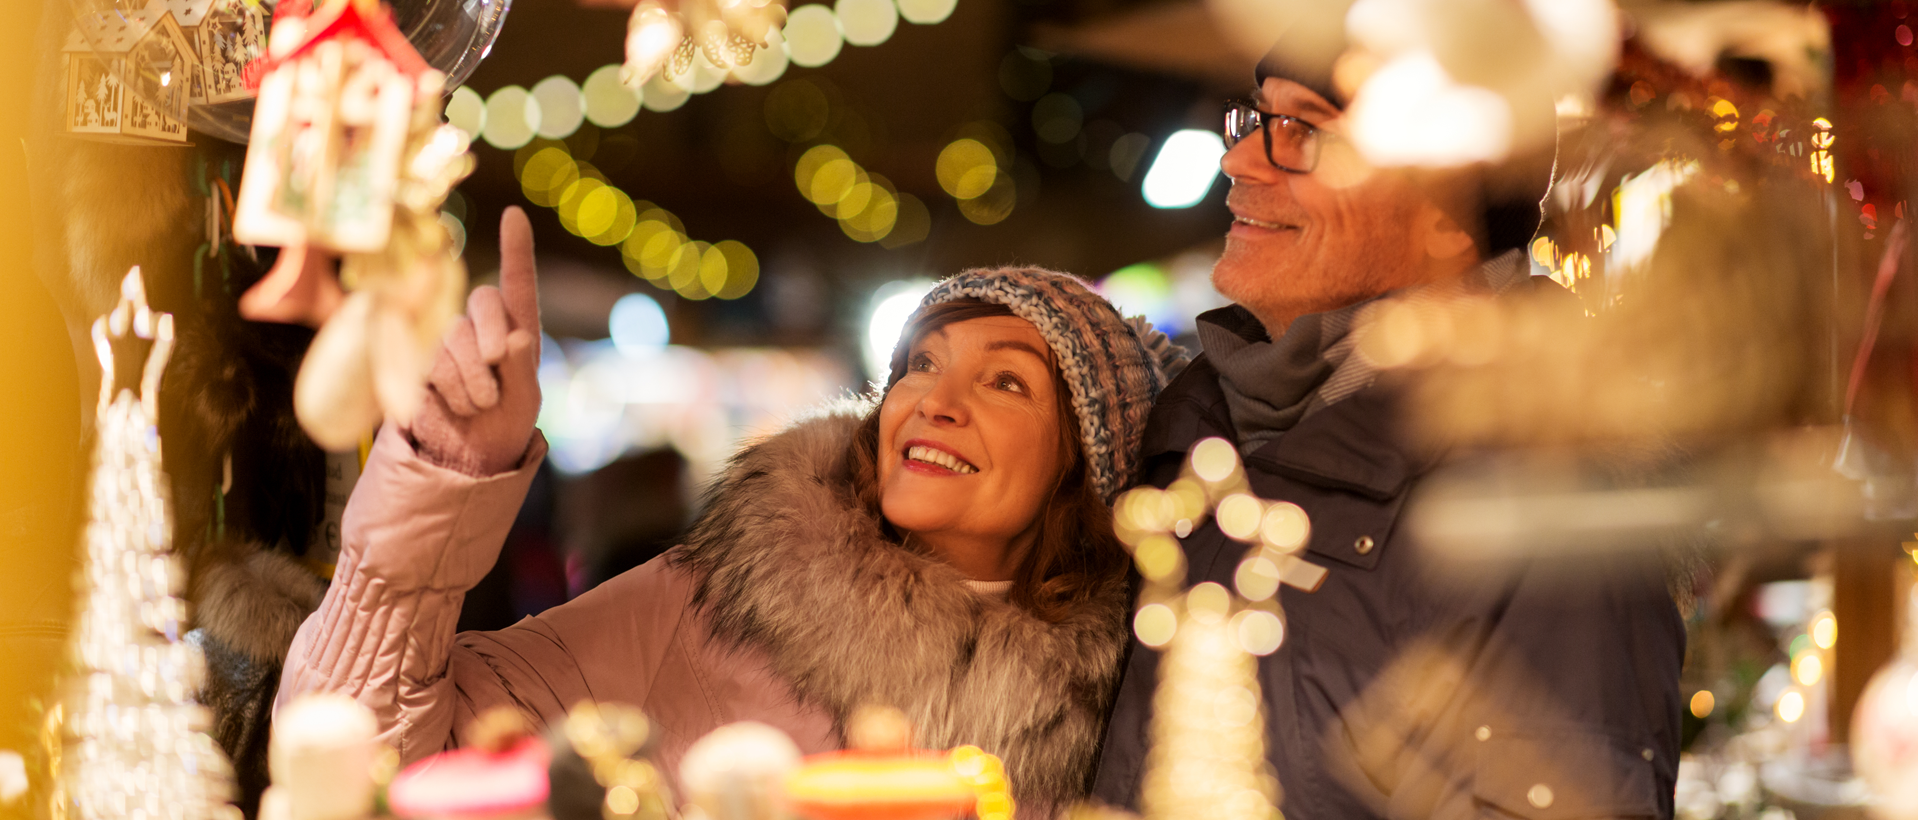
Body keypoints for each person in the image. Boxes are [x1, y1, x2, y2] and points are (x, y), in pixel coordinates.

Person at [275, 207, 1185, 815]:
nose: (933, 400)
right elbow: (363, 758)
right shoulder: (717, 599)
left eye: (1005, 381)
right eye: (921, 363)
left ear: (1089, 464)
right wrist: (445, 477)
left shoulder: (1133, 692)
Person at [1089, 29, 1687, 820]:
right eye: (1255, 119)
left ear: (1447, 211)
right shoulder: (1183, 433)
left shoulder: (1546, 487)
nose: (1238, 161)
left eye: (1305, 131)